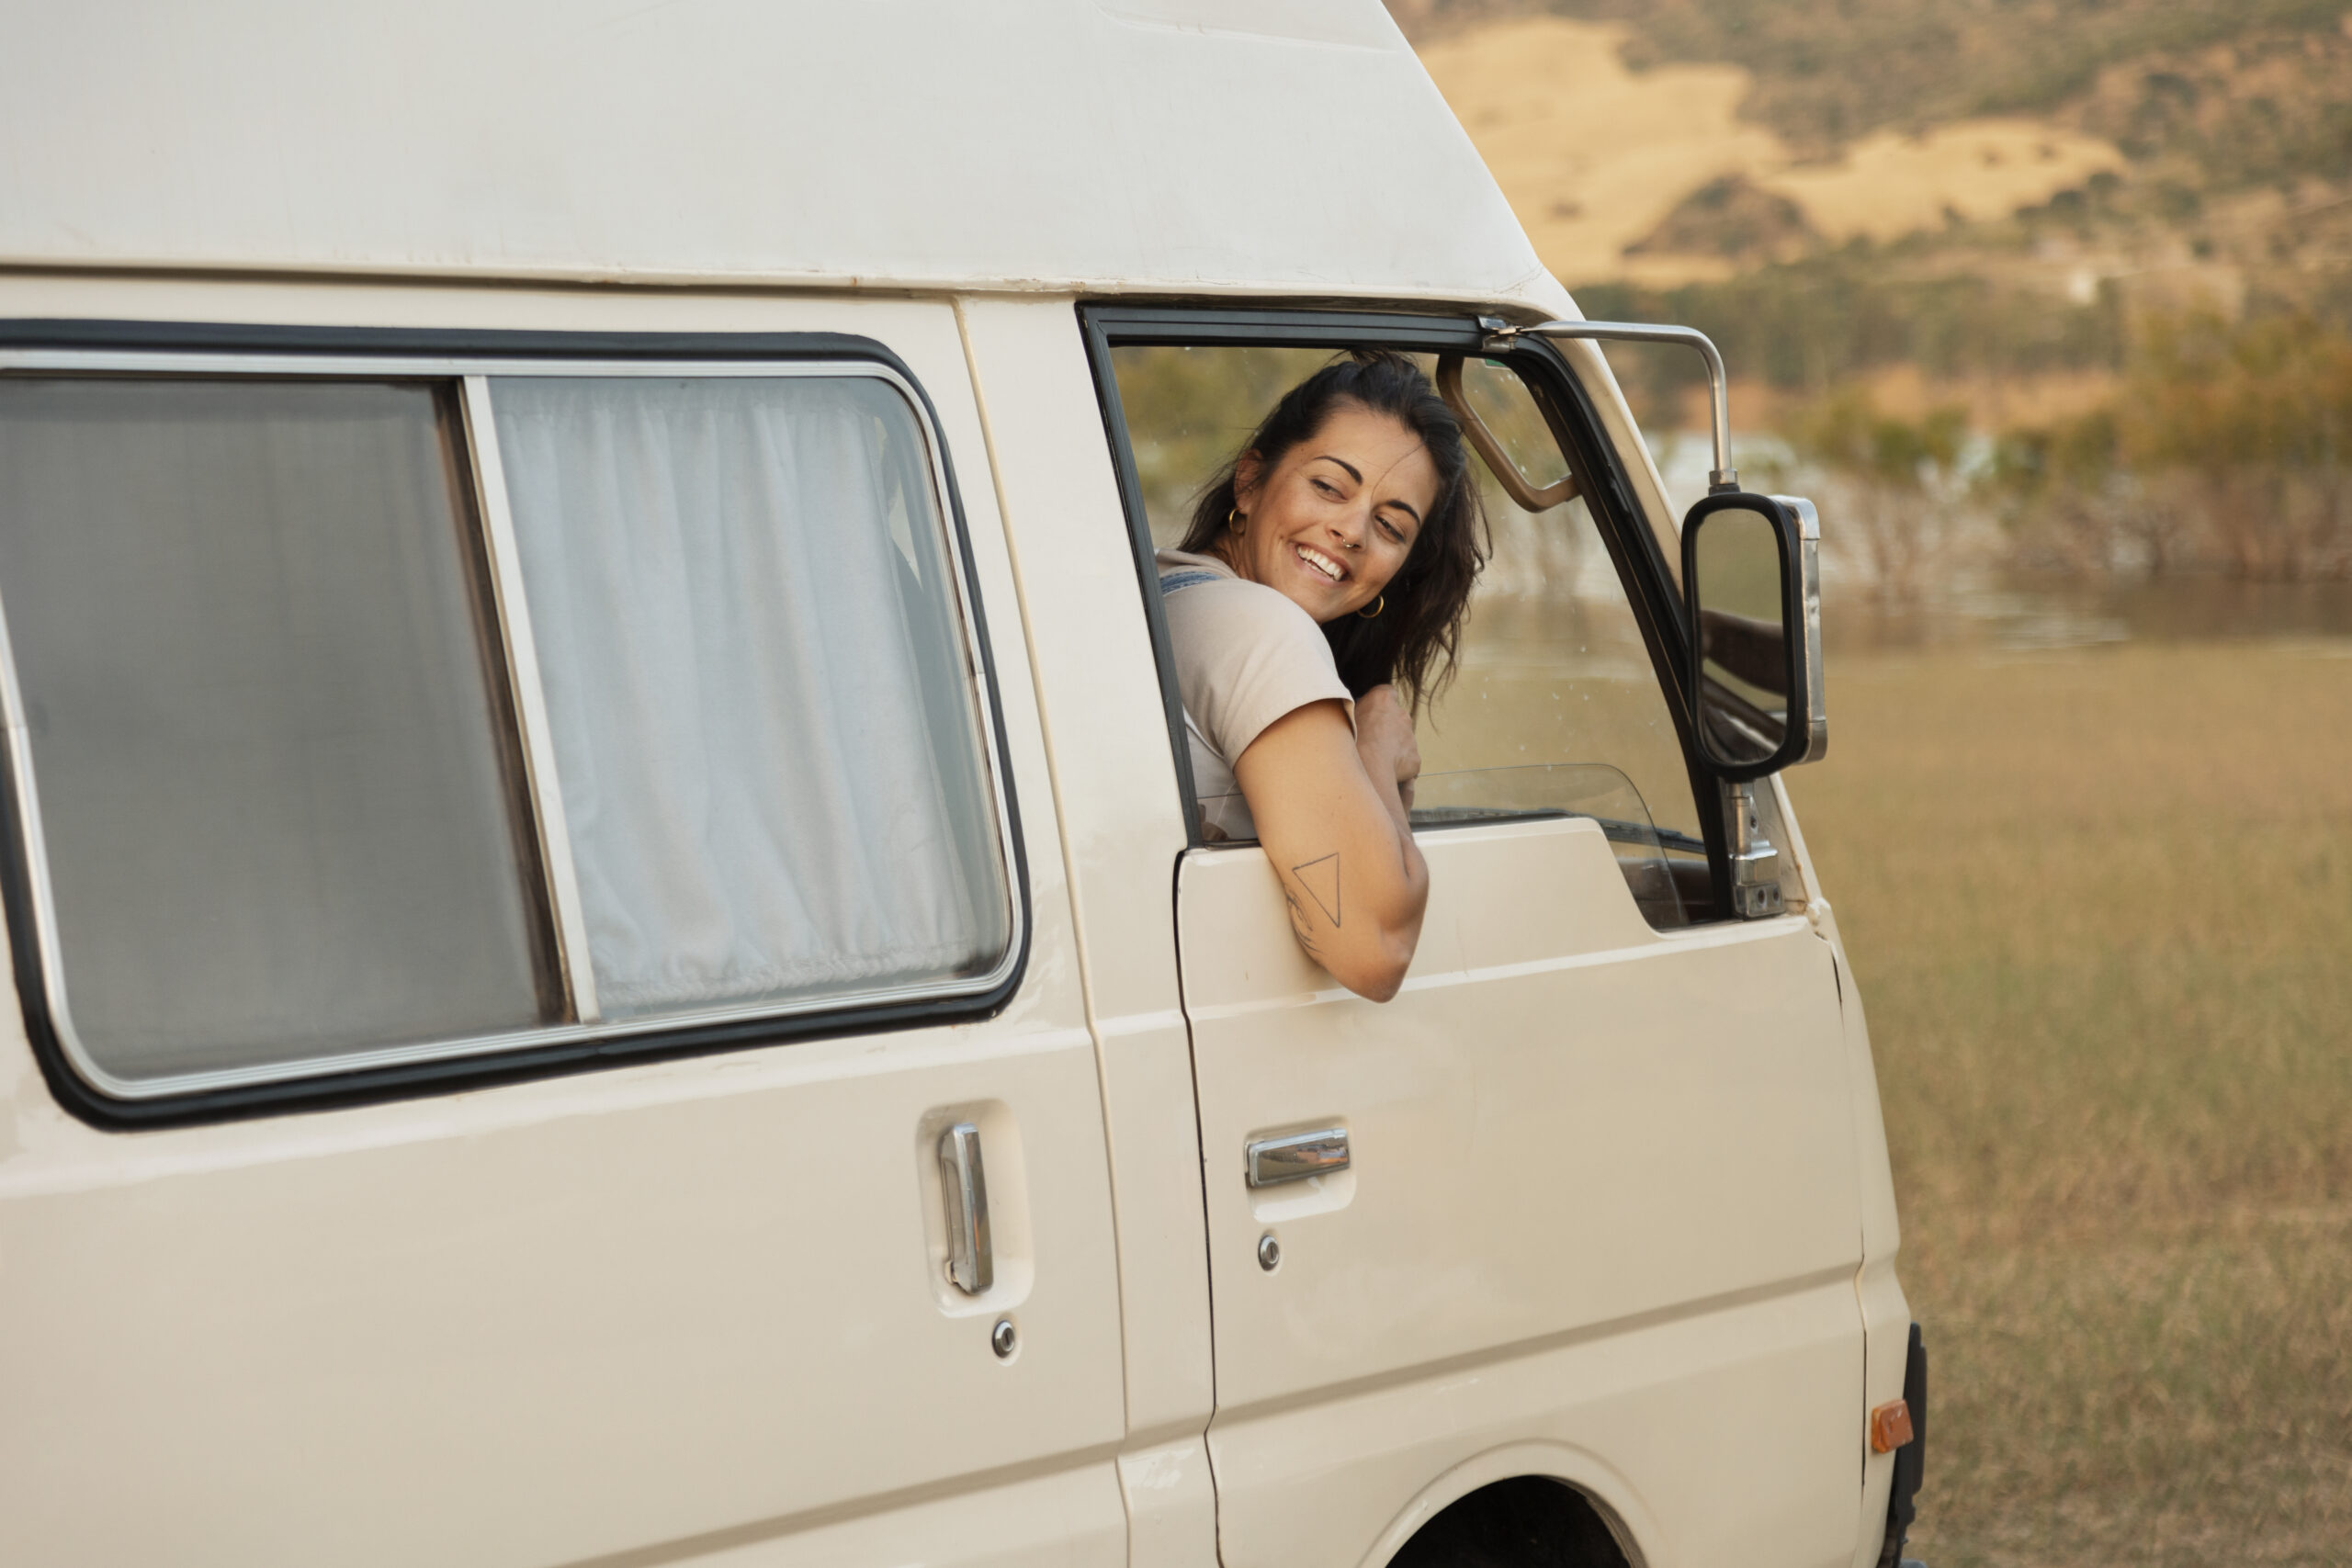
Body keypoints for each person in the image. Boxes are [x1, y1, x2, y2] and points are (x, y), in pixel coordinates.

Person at [1157, 351, 1487, 1001]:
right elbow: (1376, 949)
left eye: (1390, 525)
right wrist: (1375, 750)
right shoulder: (1263, 631)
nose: (1351, 529)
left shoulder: (1165, 586)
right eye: (1330, 487)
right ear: (1250, 482)